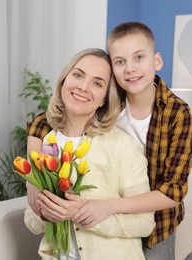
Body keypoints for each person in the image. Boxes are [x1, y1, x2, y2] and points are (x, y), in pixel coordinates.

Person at [26, 22, 192, 260]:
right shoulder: (108, 98)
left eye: (139, 58)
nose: (130, 69)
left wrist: (104, 207)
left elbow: (174, 189)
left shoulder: (176, 112)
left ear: (157, 61)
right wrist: (33, 178)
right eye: (120, 61)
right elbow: (46, 121)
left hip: (158, 217)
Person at [24, 48, 155, 260]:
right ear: (63, 81)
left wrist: (82, 214)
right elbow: (32, 223)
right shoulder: (46, 143)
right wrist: (43, 213)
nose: (83, 87)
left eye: (97, 83)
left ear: (104, 98)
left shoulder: (122, 146)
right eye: (78, 75)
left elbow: (145, 223)